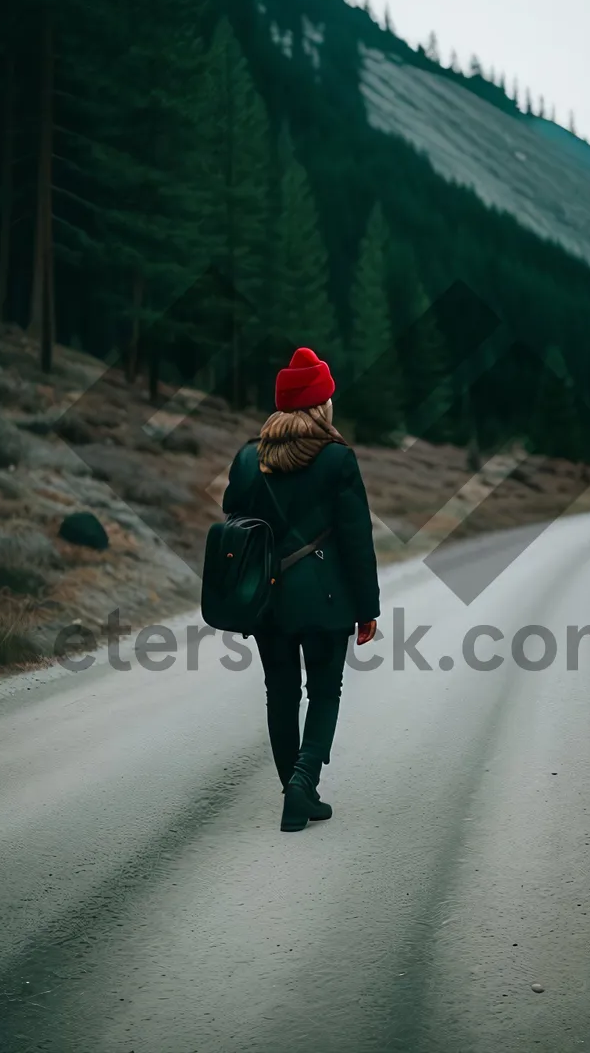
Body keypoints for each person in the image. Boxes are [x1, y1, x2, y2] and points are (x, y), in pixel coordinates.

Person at [221, 346, 380, 832]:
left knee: (281, 693)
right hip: (327, 602)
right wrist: (367, 608)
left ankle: (293, 784)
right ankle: (302, 784)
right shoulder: (337, 460)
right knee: (325, 691)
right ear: (321, 405)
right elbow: (356, 539)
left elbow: (233, 517)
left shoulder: (249, 459)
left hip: (266, 602)